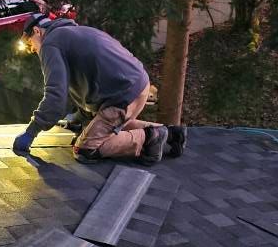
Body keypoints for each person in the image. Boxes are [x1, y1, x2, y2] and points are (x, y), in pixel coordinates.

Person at [12, 14, 186, 164]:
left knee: (85, 149)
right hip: (138, 85)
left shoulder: (50, 44)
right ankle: (172, 134)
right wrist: (81, 117)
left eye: (30, 45)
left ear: (37, 31)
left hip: (121, 97)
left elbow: (55, 95)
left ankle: (151, 138)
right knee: (109, 126)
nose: (32, 50)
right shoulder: (73, 32)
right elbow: (89, 76)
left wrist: (31, 131)